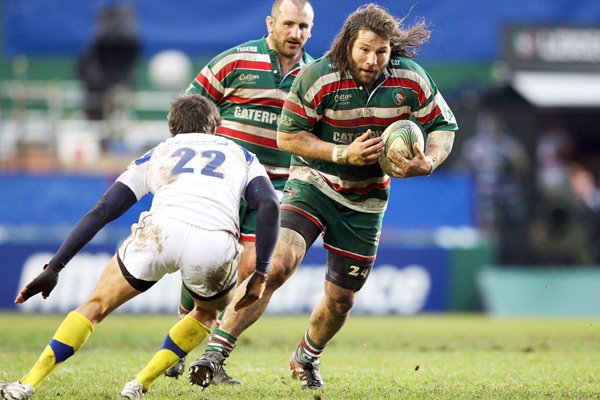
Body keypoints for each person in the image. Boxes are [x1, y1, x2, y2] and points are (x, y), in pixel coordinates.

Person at [188, 3, 458, 390]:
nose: (372, 59)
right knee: (276, 265)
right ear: (349, 43)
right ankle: (215, 353)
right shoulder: (318, 76)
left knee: (341, 301)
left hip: (366, 199)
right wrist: (340, 154)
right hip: (312, 184)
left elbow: (443, 127)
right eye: (364, 49)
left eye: (381, 52)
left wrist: (428, 161)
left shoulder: (411, 79)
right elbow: (289, 136)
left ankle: (306, 356)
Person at [0, 94, 280, 400]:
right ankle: (139, 384)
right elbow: (268, 203)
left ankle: (27, 383)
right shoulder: (241, 154)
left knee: (95, 306)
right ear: (215, 127)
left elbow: (103, 210)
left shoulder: (159, 153)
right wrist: (262, 271)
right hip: (212, 242)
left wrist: (54, 267)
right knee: (205, 313)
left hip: (160, 233)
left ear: (173, 128)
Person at [163, 0, 314, 382]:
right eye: (289, 24)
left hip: (275, 186)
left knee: (248, 271)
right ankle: (178, 348)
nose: (296, 34)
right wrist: (190, 163)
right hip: (226, 181)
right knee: (207, 264)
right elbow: (189, 109)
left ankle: (211, 359)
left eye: (304, 27)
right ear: (271, 23)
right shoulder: (234, 61)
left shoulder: (313, 76)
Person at [460, 111, 529, 263]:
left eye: (495, 125)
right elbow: (464, 170)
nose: (492, 129)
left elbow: (522, 166)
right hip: (486, 195)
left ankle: (514, 261)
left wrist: (509, 163)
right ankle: (489, 260)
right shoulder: (474, 146)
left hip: (509, 194)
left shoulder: (510, 145)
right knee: (489, 230)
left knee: (512, 231)